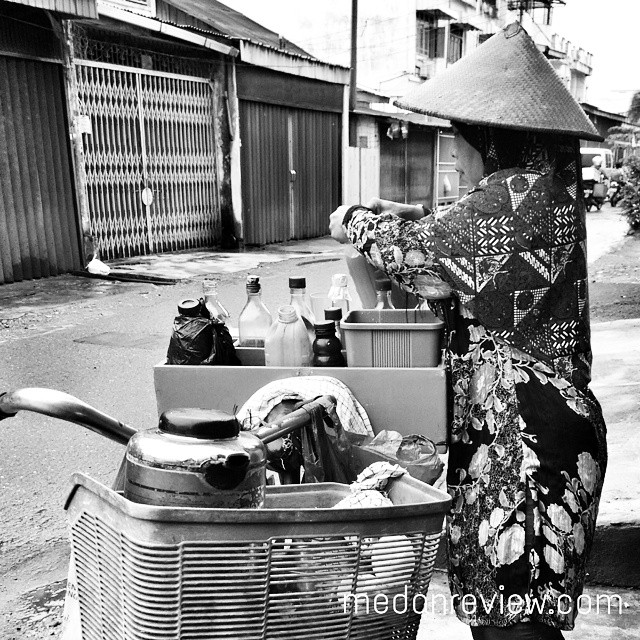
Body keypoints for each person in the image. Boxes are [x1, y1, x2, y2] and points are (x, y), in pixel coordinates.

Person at [330, 23, 607, 640]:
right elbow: (462, 251)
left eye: (460, 144)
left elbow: (418, 256)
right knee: (505, 622)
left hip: (529, 443)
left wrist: (356, 219)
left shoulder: (519, 193)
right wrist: (415, 218)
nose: (456, 156)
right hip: (515, 435)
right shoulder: (541, 192)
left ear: (490, 136)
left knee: (515, 628)